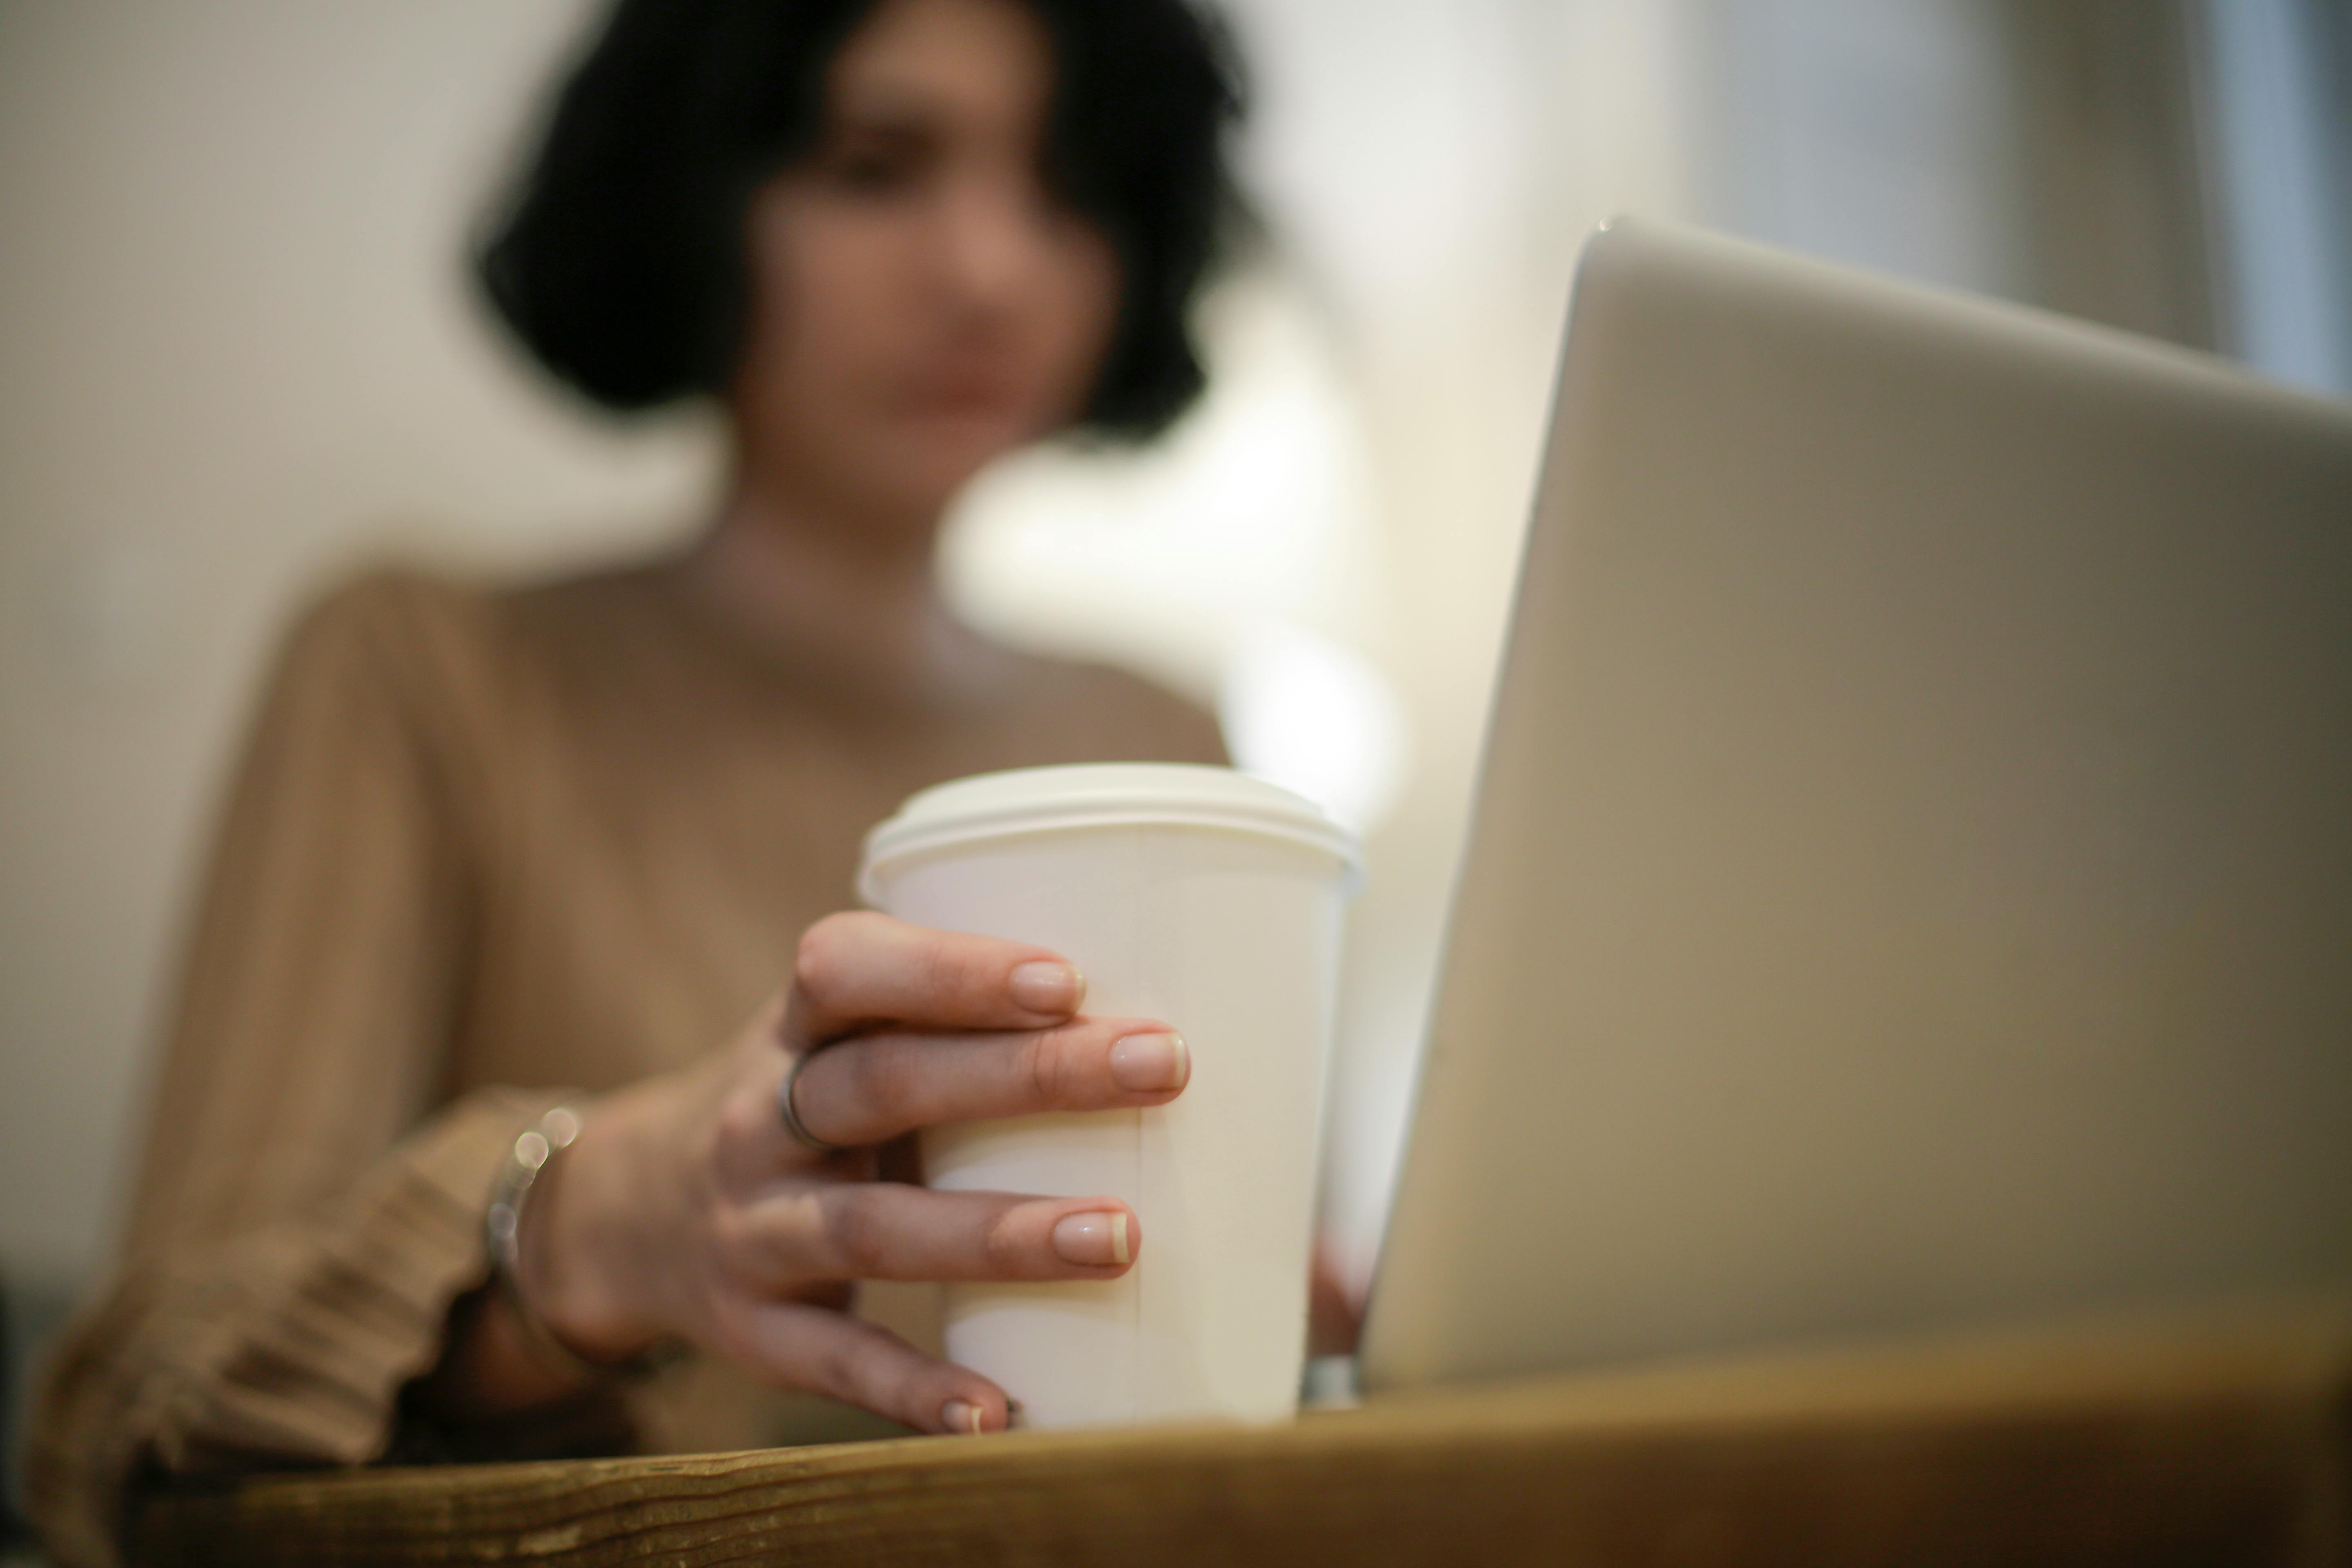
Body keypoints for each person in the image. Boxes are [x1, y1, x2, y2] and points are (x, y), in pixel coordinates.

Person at [28, 0, 1256, 1560]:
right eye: (876, 166)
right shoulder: (423, 673)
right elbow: (134, 1414)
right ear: (693, 198)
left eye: (1070, 186)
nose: (988, 270)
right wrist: (588, 1228)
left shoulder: (1168, 739)